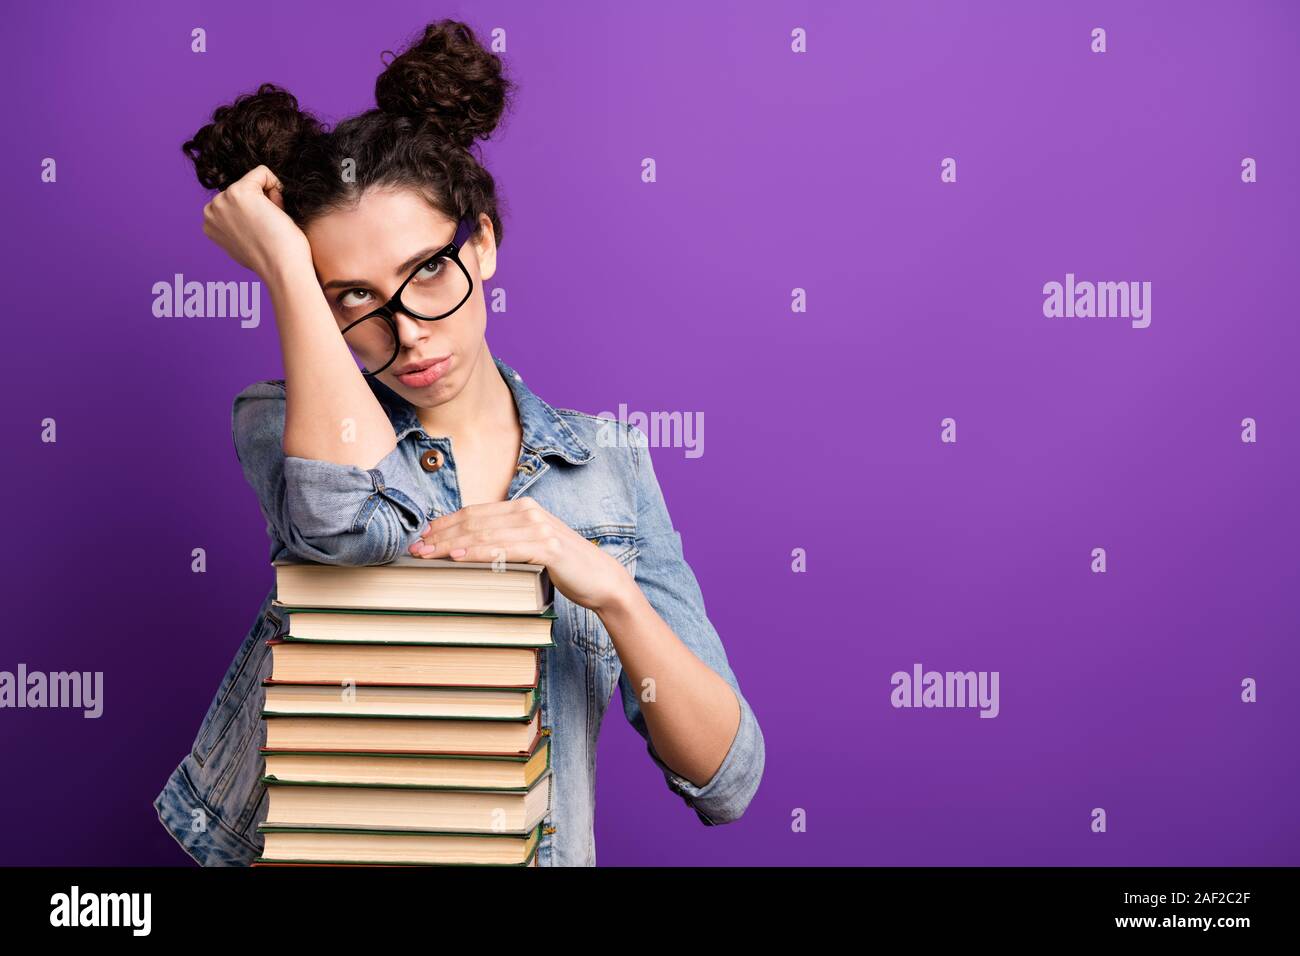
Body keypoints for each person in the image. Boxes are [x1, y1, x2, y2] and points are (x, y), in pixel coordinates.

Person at [152, 18, 764, 867]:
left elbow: (727, 780)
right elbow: (343, 521)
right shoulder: (278, 419)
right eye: (354, 299)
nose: (408, 335)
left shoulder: (606, 466)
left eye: (428, 271)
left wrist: (607, 585)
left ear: (481, 241)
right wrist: (290, 267)